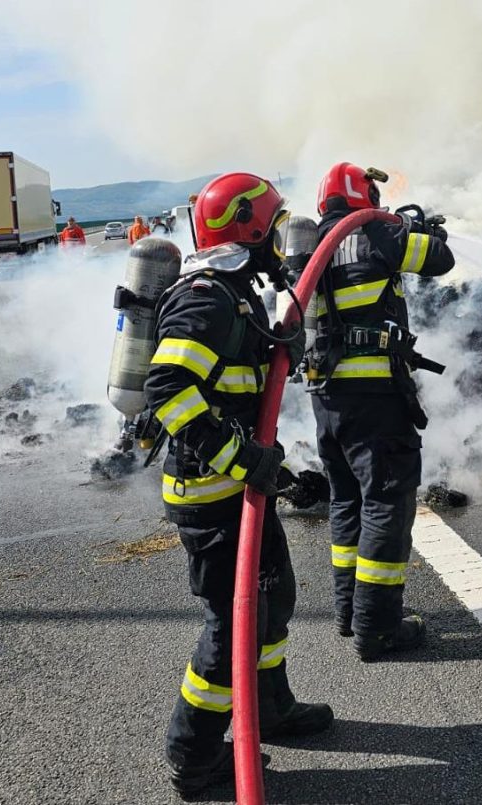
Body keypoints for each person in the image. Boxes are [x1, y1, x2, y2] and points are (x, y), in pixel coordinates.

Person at [144, 172, 332, 798]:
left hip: (236, 489)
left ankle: (270, 708)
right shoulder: (207, 298)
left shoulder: (235, 291)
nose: (280, 240)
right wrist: (240, 458)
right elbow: (169, 390)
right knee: (233, 623)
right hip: (210, 493)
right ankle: (193, 759)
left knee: (272, 600)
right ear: (248, 228)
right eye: (273, 227)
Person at [307, 162, 454, 662]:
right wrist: (419, 230)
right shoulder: (375, 232)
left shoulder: (309, 247)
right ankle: (379, 626)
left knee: (346, 500)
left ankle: (350, 612)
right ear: (361, 194)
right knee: (387, 504)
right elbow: (441, 260)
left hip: (326, 403)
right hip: (375, 401)